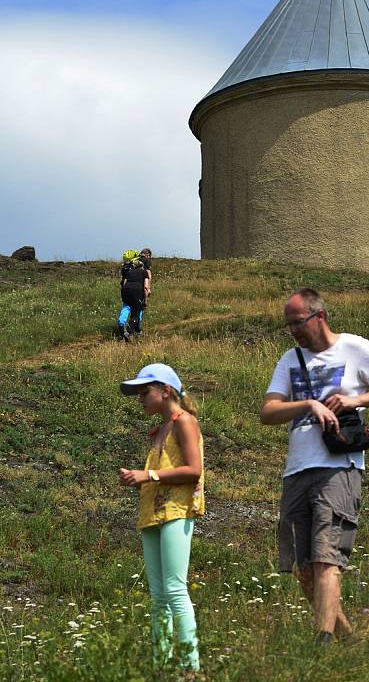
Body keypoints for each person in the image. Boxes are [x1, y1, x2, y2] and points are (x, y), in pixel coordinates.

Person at [260, 288, 369, 644]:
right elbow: (268, 411)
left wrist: (355, 399)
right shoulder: (290, 359)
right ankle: (347, 638)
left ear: (320, 316)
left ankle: (323, 642)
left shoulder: (355, 348)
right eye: (289, 325)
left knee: (328, 558)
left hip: (339, 468)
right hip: (296, 470)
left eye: (298, 322)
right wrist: (308, 405)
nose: (294, 330)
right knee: (304, 569)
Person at [118, 363, 204, 675]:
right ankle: (162, 665)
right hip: (153, 513)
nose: (140, 399)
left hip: (176, 511)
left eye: (145, 392)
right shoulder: (161, 428)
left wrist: (148, 474)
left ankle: (190, 666)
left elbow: (194, 470)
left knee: (175, 589)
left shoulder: (184, 422)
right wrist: (141, 478)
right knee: (158, 596)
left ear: (165, 391)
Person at [117, 250, 149, 340]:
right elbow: (146, 287)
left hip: (125, 291)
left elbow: (124, 284)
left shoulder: (128, 272)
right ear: (141, 266)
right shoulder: (144, 272)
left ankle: (121, 322)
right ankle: (129, 331)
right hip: (136, 292)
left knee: (126, 306)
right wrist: (145, 301)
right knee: (136, 312)